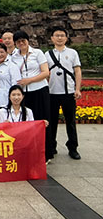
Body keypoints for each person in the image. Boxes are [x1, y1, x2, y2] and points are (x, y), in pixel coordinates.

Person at [11, 30, 52, 163]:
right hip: (24, 93)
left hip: (39, 90)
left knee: (42, 121)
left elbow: (45, 72)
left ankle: (46, 153)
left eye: (23, 40)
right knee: (27, 122)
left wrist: (30, 80)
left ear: (28, 40)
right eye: (18, 41)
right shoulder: (14, 56)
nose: (21, 43)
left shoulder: (37, 53)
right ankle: (29, 152)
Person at [46, 27, 82, 160]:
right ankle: (51, 146)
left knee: (70, 121)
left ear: (66, 38)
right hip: (52, 93)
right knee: (52, 122)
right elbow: (45, 73)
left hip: (69, 92)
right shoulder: (47, 54)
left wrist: (77, 89)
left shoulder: (72, 53)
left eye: (62, 35)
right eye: (57, 35)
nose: (59, 38)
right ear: (52, 38)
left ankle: (73, 147)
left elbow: (77, 71)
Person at [0, 42, 21, 109]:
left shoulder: (12, 66)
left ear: (6, 52)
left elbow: (16, 84)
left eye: (2, 52)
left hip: (6, 101)